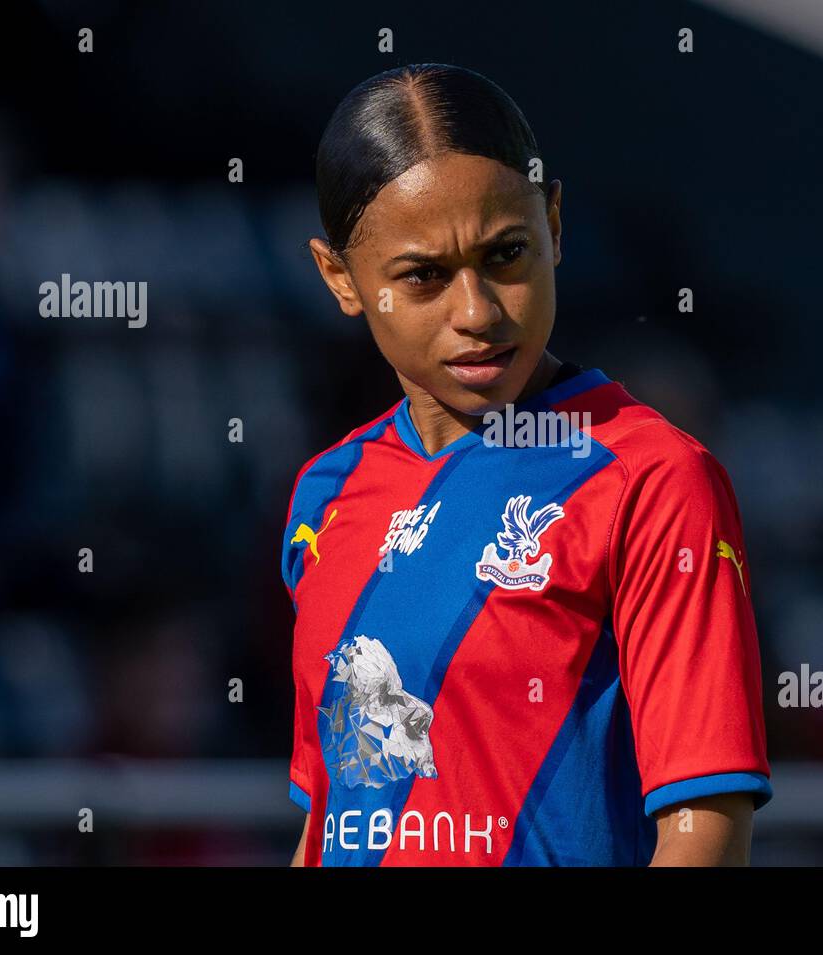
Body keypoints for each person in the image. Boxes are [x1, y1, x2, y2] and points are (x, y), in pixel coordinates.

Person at [284, 63, 771, 866]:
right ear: (340, 277)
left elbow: (706, 825)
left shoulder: (650, 478)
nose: (477, 311)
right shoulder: (324, 494)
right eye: (425, 275)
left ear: (553, 223)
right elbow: (328, 824)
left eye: (507, 253)